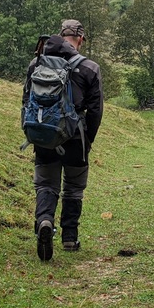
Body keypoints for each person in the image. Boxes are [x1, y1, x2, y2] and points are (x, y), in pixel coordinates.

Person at [23, 19, 103, 261]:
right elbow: (96, 109)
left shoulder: (36, 62)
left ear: (60, 36)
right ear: (80, 39)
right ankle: (69, 238)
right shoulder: (89, 67)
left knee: (46, 184)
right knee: (74, 188)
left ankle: (45, 221)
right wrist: (88, 139)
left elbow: (26, 100)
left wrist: (33, 131)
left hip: (44, 132)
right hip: (76, 136)